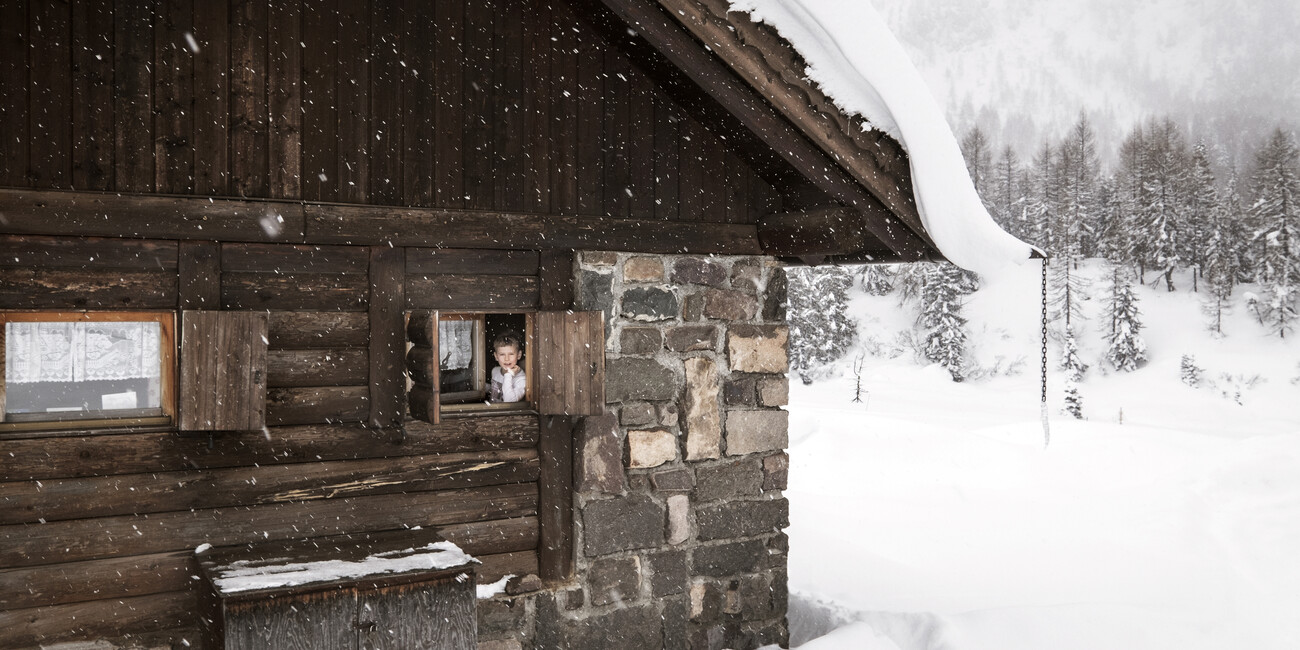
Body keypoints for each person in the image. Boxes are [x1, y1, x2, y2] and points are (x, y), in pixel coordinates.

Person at [489, 332, 526, 403]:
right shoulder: (495, 371)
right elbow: (494, 391)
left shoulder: (521, 379)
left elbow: (509, 400)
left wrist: (509, 374)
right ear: (496, 356)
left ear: (519, 355)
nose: (506, 359)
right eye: (502, 354)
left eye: (511, 354)